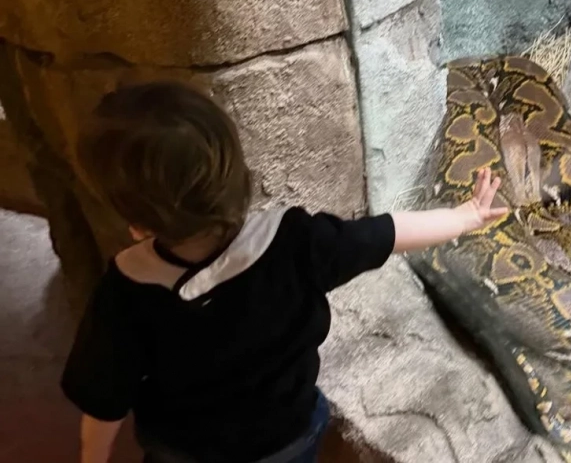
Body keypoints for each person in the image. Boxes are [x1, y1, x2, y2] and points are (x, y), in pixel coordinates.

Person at [61, 80, 508, 463]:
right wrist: (464, 216)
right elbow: (386, 233)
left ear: (136, 222)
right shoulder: (295, 241)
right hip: (288, 437)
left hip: (188, 454)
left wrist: (91, 459)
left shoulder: (125, 292)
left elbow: (104, 403)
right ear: (240, 176)